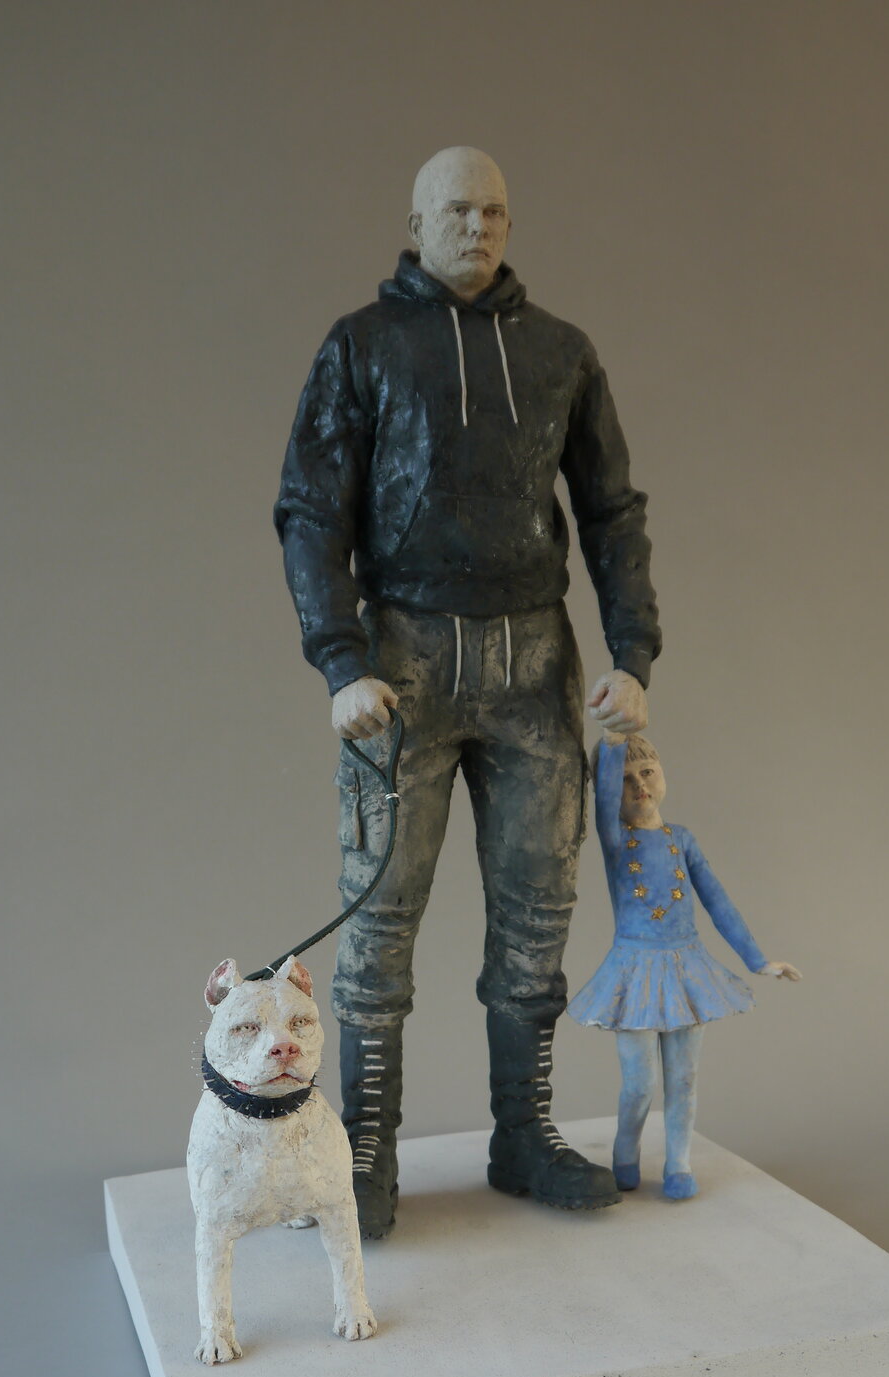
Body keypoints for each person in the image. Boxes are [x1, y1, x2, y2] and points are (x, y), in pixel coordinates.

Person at [274, 146, 661, 1236]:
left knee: (539, 907)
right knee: (379, 911)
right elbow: (311, 510)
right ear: (414, 223)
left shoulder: (559, 352)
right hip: (400, 660)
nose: (476, 228)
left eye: (493, 211)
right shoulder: (364, 345)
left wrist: (632, 652)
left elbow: (612, 509)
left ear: (510, 222)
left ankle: (522, 1131)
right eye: (455, 211)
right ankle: (366, 1153)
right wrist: (340, 661)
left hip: (535, 662)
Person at [568, 732, 801, 1195]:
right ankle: (625, 1154)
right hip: (634, 970)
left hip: (688, 970)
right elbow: (604, 802)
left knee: (684, 1079)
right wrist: (612, 738)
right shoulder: (616, 838)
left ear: (662, 773)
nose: (639, 786)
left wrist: (757, 960)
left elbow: (718, 901)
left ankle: (679, 1164)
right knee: (639, 1084)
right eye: (627, 779)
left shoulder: (681, 839)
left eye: (647, 773)